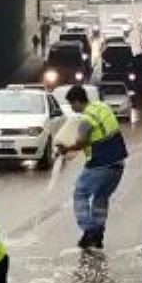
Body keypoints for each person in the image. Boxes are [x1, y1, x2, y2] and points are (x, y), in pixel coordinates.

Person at [55, 85, 129, 249]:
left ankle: (89, 231)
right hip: (118, 163)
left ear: (76, 101)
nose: (73, 109)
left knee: (80, 193)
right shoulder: (102, 106)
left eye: (72, 105)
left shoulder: (86, 119)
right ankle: (98, 233)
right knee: (101, 197)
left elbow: (80, 143)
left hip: (101, 163)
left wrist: (65, 149)